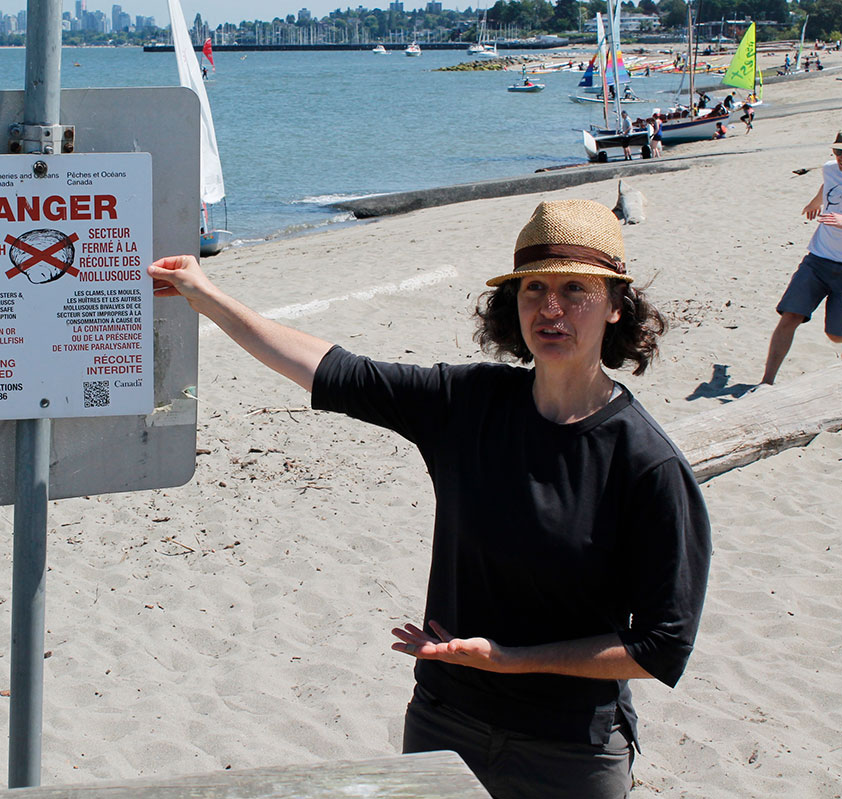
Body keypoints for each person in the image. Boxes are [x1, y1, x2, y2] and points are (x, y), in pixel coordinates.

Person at [148, 199, 712, 799]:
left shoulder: (647, 463)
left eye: (576, 289)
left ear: (617, 306)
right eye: (533, 288)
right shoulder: (469, 403)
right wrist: (204, 293)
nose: (550, 308)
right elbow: (333, 371)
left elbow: (659, 647)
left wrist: (511, 659)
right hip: (445, 722)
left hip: (568, 748)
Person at [762, 130, 842, 383]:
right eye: (838, 152)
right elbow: (828, 183)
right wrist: (815, 201)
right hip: (818, 259)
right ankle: (766, 382)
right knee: (790, 315)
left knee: (835, 334)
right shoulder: (830, 169)